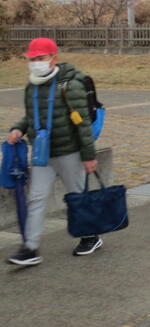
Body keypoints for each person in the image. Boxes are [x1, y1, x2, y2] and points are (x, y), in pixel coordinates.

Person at [6, 38, 100, 267]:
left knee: (76, 197)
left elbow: (83, 124)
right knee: (36, 198)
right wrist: (18, 128)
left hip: (69, 151)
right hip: (42, 153)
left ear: (53, 59)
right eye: (32, 59)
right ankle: (30, 248)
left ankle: (90, 236)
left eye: (41, 58)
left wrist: (88, 155)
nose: (36, 63)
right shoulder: (31, 85)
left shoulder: (70, 85)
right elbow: (31, 115)